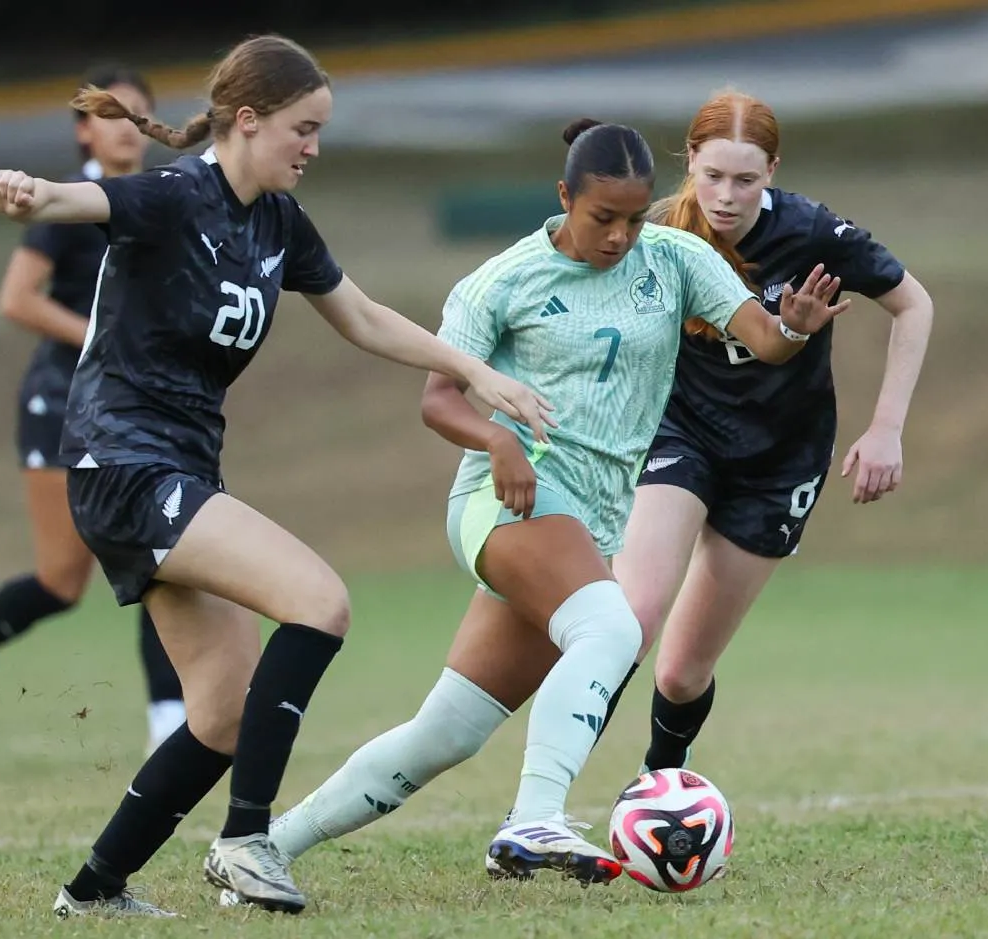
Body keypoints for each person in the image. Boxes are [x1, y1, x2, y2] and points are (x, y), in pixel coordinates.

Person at [0, 35, 554, 919]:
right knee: (318, 600)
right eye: (304, 128)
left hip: (171, 468)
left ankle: (95, 890)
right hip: (122, 464)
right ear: (247, 121)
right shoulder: (173, 198)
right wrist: (31, 194)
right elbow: (80, 197)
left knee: (219, 709)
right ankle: (247, 839)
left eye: (319, 130)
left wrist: (474, 371)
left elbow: (360, 316)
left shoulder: (277, 221)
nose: (314, 148)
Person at [264, 118, 848, 887]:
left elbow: (762, 340)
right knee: (611, 625)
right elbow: (438, 401)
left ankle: (263, 845)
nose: (619, 235)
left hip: (589, 519)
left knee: (448, 730)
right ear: (564, 196)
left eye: (635, 218)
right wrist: (499, 443)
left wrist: (794, 332)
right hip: (506, 498)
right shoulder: (503, 281)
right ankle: (533, 818)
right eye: (603, 216)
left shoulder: (675, 258)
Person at [607, 89, 934, 782]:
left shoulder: (813, 234)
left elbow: (914, 303)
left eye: (746, 179)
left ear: (773, 171)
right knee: (627, 621)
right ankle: (538, 809)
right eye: (714, 174)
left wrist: (887, 428)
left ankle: (660, 784)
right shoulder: (661, 235)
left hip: (778, 461)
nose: (726, 196)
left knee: (682, 669)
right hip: (684, 434)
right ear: (690, 160)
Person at [0, 65, 187, 756]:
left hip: (135, 406)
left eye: (139, 113)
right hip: (59, 402)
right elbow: (18, 299)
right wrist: (104, 333)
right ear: (82, 128)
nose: (126, 125)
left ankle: (168, 722)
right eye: (110, 113)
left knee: (158, 551)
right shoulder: (71, 204)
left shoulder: (159, 197)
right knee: (62, 580)